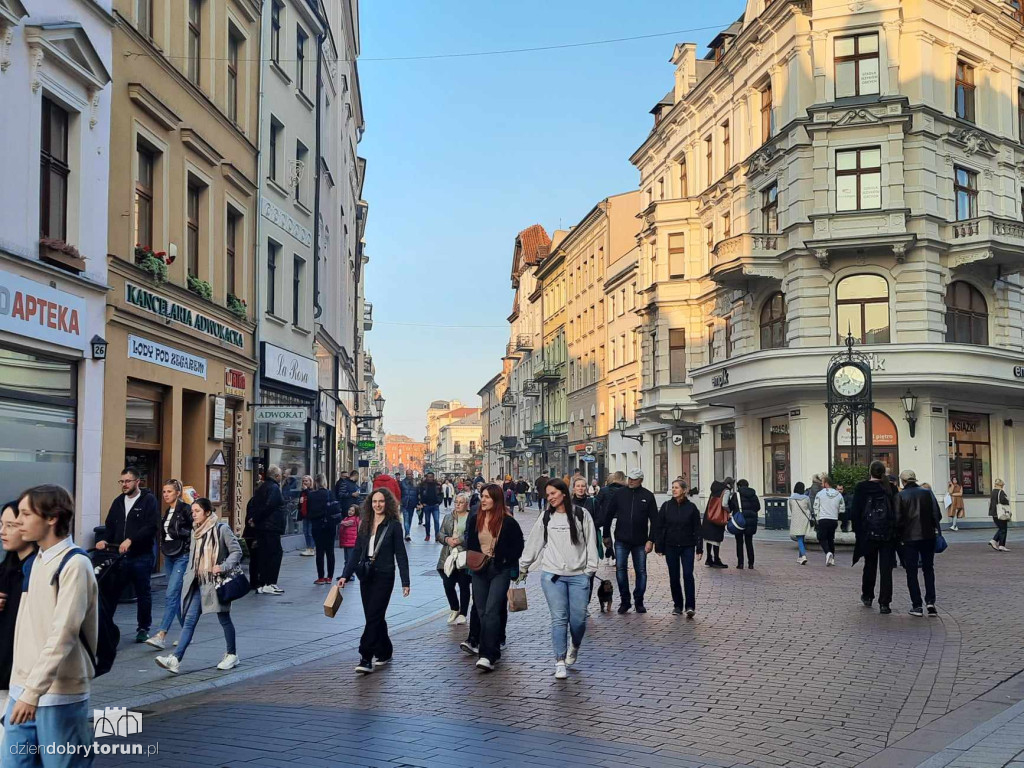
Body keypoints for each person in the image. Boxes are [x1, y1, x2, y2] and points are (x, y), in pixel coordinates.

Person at [2, 485, 98, 764]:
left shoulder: (74, 564)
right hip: (23, 688)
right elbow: (27, 629)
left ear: (52, 517)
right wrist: (20, 687)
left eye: (25, 514)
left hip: (59, 693)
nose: (18, 522)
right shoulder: (37, 561)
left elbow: (63, 634)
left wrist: (32, 692)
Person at [519, 479, 599, 679]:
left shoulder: (582, 515)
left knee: (579, 620)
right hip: (552, 576)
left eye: (553, 493)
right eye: (548, 495)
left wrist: (590, 569)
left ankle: (575, 645)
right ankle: (559, 660)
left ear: (564, 493)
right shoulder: (546, 517)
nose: (550, 498)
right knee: (559, 618)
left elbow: (591, 542)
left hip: (579, 575)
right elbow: (534, 542)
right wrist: (523, 566)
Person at [155, 498, 242, 674]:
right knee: (189, 621)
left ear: (207, 512)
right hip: (198, 581)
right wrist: (188, 577)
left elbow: (237, 551)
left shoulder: (221, 529)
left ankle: (232, 654)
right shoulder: (196, 531)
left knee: (224, 618)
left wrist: (223, 566)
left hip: (216, 582)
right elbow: (193, 558)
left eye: (197, 511)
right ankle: (175, 659)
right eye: (192, 511)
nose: (193, 514)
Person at [338, 488, 410, 673]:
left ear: (388, 503)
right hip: (366, 575)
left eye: (381, 501)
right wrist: (345, 575)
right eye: (374, 501)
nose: (378, 505)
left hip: (385, 575)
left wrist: (405, 581)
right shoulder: (365, 523)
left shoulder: (393, 525)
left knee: (374, 616)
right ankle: (384, 651)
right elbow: (356, 551)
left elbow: (400, 554)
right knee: (374, 616)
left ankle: (365, 656)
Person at [461, 484, 523, 672]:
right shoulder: (475, 519)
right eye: (482, 496)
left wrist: (505, 560)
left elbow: (518, 546)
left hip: (499, 570)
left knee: (492, 610)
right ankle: (491, 648)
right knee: (481, 611)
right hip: (479, 569)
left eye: (488, 497)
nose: (484, 500)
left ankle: (487, 655)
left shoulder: (508, 521)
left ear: (496, 499)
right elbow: (471, 542)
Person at [96, 466, 160, 642]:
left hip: (141, 555)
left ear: (137, 481)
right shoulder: (118, 502)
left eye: (127, 481)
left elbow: (151, 527)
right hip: (119, 557)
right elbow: (110, 525)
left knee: (143, 592)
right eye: (122, 481)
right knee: (112, 591)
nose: (124, 485)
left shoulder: (148, 501)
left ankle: (143, 628)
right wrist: (105, 540)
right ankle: (106, 625)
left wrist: (131, 540)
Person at [1, 500, 37, 724]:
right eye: (1, 524)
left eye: (11, 525)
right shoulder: (5, 570)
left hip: (22, 684)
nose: (2, 532)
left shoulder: (37, 572)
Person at [145, 480, 193, 650]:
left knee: (171, 594)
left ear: (178, 493)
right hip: (170, 555)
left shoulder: (186, 510)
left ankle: (161, 634)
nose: (166, 494)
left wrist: (179, 532)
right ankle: (186, 634)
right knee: (177, 597)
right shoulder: (167, 511)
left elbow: (195, 530)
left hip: (182, 555)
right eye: (164, 491)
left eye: (169, 491)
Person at [602, 468, 657, 614]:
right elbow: (608, 514)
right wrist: (606, 535)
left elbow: (655, 521)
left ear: (641, 480)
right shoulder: (620, 494)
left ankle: (639, 601)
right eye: (629, 478)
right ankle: (625, 601)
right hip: (621, 539)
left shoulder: (648, 496)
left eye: (634, 479)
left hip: (640, 541)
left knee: (641, 571)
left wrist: (651, 540)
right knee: (620, 569)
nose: (631, 481)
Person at [852, 460, 898, 614]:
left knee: (869, 565)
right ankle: (885, 603)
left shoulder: (862, 487)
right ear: (883, 472)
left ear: (870, 471)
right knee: (886, 569)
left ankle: (867, 595)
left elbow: (855, 512)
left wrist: (859, 532)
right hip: (887, 534)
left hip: (868, 533)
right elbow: (896, 512)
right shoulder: (890, 488)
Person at [895, 470, 943, 618]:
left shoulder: (900, 496)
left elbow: (897, 520)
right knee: (928, 569)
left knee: (911, 572)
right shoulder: (927, 493)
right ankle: (930, 602)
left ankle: (917, 605)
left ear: (903, 481)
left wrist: (899, 536)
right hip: (928, 536)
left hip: (909, 538)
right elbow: (937, 515)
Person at [652, 480, 702, 617]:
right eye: (672, 487)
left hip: (687, 546)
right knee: (674, 577)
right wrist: (659, 546)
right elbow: (659, 527)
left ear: (684, 490)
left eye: (677, 488)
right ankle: (678, 605)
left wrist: (699, 548)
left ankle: (690, 606)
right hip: (671, 546)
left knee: (687, 575)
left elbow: (697, 528)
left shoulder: (691, 508)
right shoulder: (666, 506)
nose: (674, 490)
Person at [245, 465, 287, 595]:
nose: (281, 477)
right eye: (280, 475)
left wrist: (255, 520)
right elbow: (268, 506)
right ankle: (270, 583)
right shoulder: (273, 488)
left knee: (263, 555)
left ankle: (262, 583)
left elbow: (259, 506)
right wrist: (255, 519)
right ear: (276, 476)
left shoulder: (262, 487)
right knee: (275, 554)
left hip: (263, 527)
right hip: (271, 527)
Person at [437, 494, 472, 624]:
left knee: (464, 585)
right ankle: (454, 608)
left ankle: (463, 613)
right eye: (456, 502)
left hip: (464, 556)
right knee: (448, 583)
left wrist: (459, 540)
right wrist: (447, 539)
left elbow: (472, 535)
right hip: (449, 555)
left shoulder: (471, 517)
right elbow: (440, 534)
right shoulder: (448, 517)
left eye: (461, 502)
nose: (457, 504)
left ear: (466, 504)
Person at [305, 474, 338, 584]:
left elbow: (308, 511)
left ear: (316, 482)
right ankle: (329, 577)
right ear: (325, 482)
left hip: (317, 526)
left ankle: (320, 577)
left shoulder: (311, 495)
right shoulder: (329, 493)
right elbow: (336, 510)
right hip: (330, 526)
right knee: (330, 552)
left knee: (319, 551)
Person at [814, 475, 845, 566]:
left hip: (823, 518)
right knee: (831, 538)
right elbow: (842, 509)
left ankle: (828, 552)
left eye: (822, 482)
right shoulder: (838, 494)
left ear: (826, 483)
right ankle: (832, 559)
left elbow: (816, 507)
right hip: (833, 519)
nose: (821, 484)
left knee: (821, 537)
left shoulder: (820, 494)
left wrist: (817, 518)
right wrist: (836, 512)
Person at [570, 476, 601, 555]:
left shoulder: (592, 501)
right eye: (578, 486)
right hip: (573, 538)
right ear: (574, 488)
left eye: (583, 486)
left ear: (586, 488)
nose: (580, 488)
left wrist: (589, 527)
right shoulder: (569, 504)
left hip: (589, 537)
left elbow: (600, 519)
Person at [733, 479, 760, 569]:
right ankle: (751, 563)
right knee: (749, 542)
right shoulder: (753, 495)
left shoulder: (736, 495)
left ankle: (740, 563)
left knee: (739, 542)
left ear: (739, 486)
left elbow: (731, 506)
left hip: (739, 521)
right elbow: (758, 507)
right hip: (751, 522)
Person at [701, 481, 729, 568]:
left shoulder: (714, 491)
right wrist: (729, 511)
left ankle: (709, 558)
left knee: (709, 539)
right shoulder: (725, 491)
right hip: (718, 517)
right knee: (716, 539)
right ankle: (716, 559)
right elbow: (724, 504)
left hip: (708, 517)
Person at [788, 482, 813, 565]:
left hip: (796, 519)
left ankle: (803, 556)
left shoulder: (791, 499)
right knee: (801, 538)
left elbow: (791, 509)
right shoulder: (806, 498)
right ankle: (800, 557)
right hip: (805, 520)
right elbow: (810, 508)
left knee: (799, 538)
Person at [596, 472, 626, 538]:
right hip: (622, 518)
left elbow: (597, 504)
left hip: (607, 519)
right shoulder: (625, 490)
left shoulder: (604, 490)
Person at [418, 471, 444, 542]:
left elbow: (441, 494)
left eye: (431, 477)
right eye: (428, 477)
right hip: (427, 505)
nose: (430, 478)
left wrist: (439, 502)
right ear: (426, 477)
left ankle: (437, 536)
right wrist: (422, 503)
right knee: (427, 521)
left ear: (433, 477)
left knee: (436, 521)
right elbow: (420, 494)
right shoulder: (423, 485)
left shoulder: (437, 485)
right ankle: (427, 535)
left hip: (435, 505)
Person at [989, 479, 1011, 552]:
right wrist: (1007, 500)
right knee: (1003, 528)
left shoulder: (993, 492)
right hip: (1000, 512)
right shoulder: (1001, 492)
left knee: (1001, 528)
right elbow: (1003, 500)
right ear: (1001, 485)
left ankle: (996, 542)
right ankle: (998, 543)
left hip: (994, 513)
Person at [297, 475, 316, 557]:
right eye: (303, 481)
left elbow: (312, 499)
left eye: (306, 481)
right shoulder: (302, 492)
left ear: (310, 482)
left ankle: (312, 549)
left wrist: (306, 490)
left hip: (311, 514)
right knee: (305, 532)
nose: (304, 482)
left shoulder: (312, 491)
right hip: (304, 514)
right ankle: (308, 548)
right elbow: (300, 503)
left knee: (310, 532)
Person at [338, 504, 360, 573]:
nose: (350, 512)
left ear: (356, 512)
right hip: (346, 543)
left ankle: (350, 575)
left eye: (352, 511)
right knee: (347, 560)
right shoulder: (346, 518)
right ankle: (345, 574)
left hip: (352, 543)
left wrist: (337, 521)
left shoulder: (353, 519)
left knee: (350, 560)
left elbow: (345, 523)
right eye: (349, 510)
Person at [399, 470, 419, 542]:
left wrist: (418, 503)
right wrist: (400, 501)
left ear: (412, 474)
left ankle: (407, 532)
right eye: (407, 474)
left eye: (410, 474)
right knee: (406, 519)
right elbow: (399, 493)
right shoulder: (402, 483)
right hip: (405, 503)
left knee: (410, 519)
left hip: (412, 503)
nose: (409, 476)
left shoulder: (415, 483)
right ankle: (407, 534)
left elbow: (417, 493)